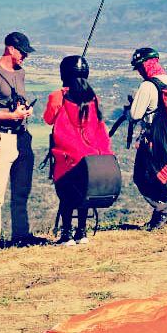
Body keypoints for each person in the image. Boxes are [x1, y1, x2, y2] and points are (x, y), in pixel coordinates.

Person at [43, 55, 113, 246]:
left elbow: (48, 118)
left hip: (67, 157)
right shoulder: (93, 97)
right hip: (92, 157)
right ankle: (81, 233)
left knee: (66, 195)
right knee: (85, 192)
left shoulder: (58, 96)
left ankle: (66, 235)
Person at [0, 31, 37, 252]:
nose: (25, 56)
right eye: (22, 52)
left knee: (21, 190)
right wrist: (11, 116)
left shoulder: (20, 73)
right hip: (2, 137)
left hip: (22, 136)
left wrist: (24, 111)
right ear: (10, 48)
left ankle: (21, 235)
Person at [128, 46, 167, 231]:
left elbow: (135, 115)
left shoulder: (149, 85)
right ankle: (160, 214)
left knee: (142, 177)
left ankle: (162, 209)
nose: (139, 72)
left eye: (139, 67)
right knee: (159, 176)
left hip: (152, 141)